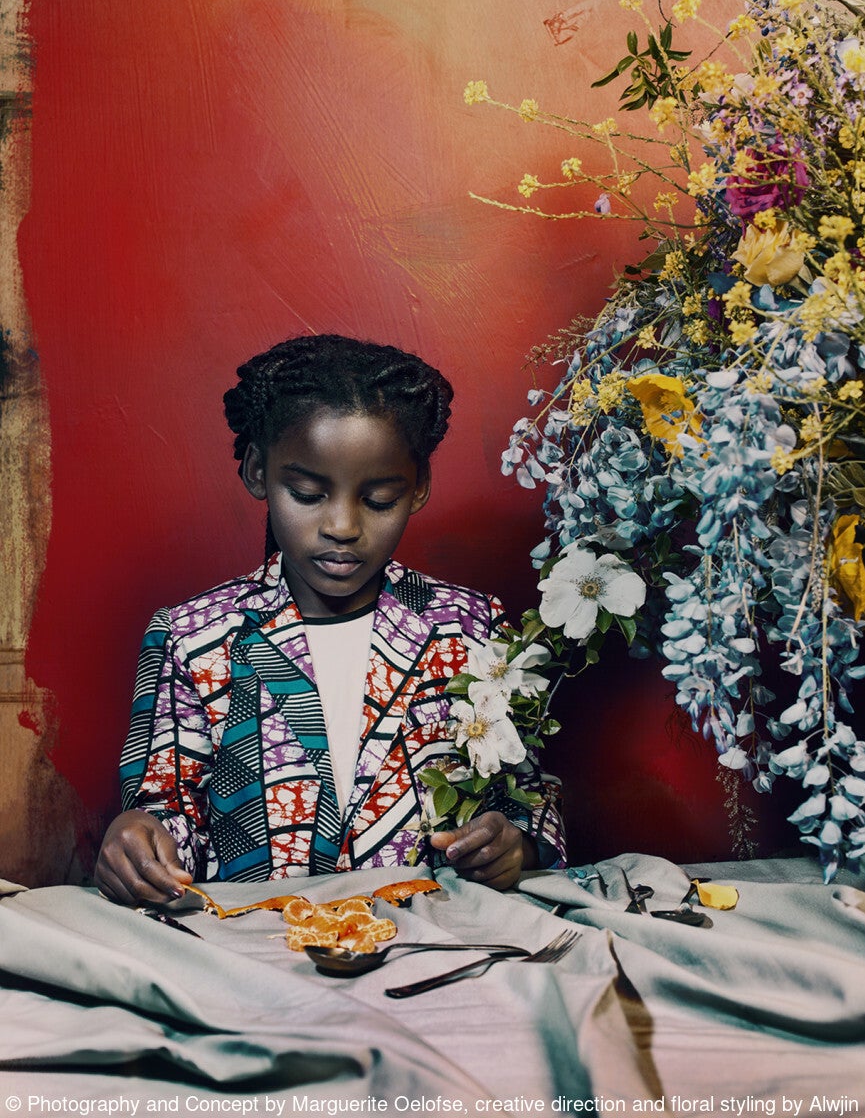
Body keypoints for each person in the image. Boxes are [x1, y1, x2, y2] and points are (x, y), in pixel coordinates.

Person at [95, 334, 564, 905]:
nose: (342, 525)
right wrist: (139, 841)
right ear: (257, 474)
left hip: (436, 948)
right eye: (308, 493)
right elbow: (163, 812)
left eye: (380, 499)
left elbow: (526, 793)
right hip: (261, 949)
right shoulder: (194, 637)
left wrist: (520, 840)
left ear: (419, 488)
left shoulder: (469, 626)